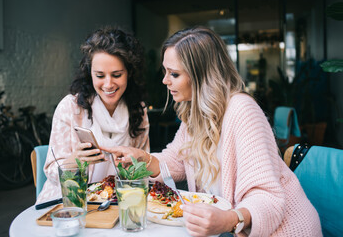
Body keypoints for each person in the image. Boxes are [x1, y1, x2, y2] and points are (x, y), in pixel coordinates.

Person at [102, 26, 322, 236]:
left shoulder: (242, 111)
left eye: (174, 74)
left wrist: (228, 220)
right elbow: (177, 160)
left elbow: (266, 197)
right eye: (165, 72)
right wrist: (144, 159)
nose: (164, 80)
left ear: (201, 75)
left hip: (281, 230)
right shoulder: (194, 113)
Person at [36, 26, 150, 204]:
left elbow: (144, 169)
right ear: (90, 74)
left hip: (117, 201)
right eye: (99, 75)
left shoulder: (138, 110)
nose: (108, 84)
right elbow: (51, 171)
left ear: (130, 73)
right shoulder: (71, 108)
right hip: (70, 202)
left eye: (117, 75)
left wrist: (133, 165)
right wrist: (75, 161)